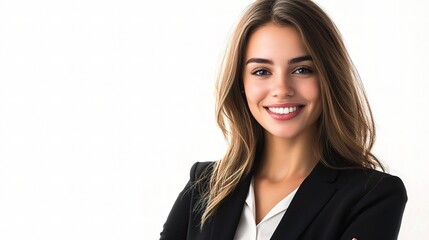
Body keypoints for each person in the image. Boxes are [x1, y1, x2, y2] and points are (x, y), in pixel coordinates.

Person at [160, 0, 407, 239]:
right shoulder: (204, 184)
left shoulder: (373, 196)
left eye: (302, 70)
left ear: (329, 79)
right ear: (241, 84)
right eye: (261, 71)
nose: (281, 88)